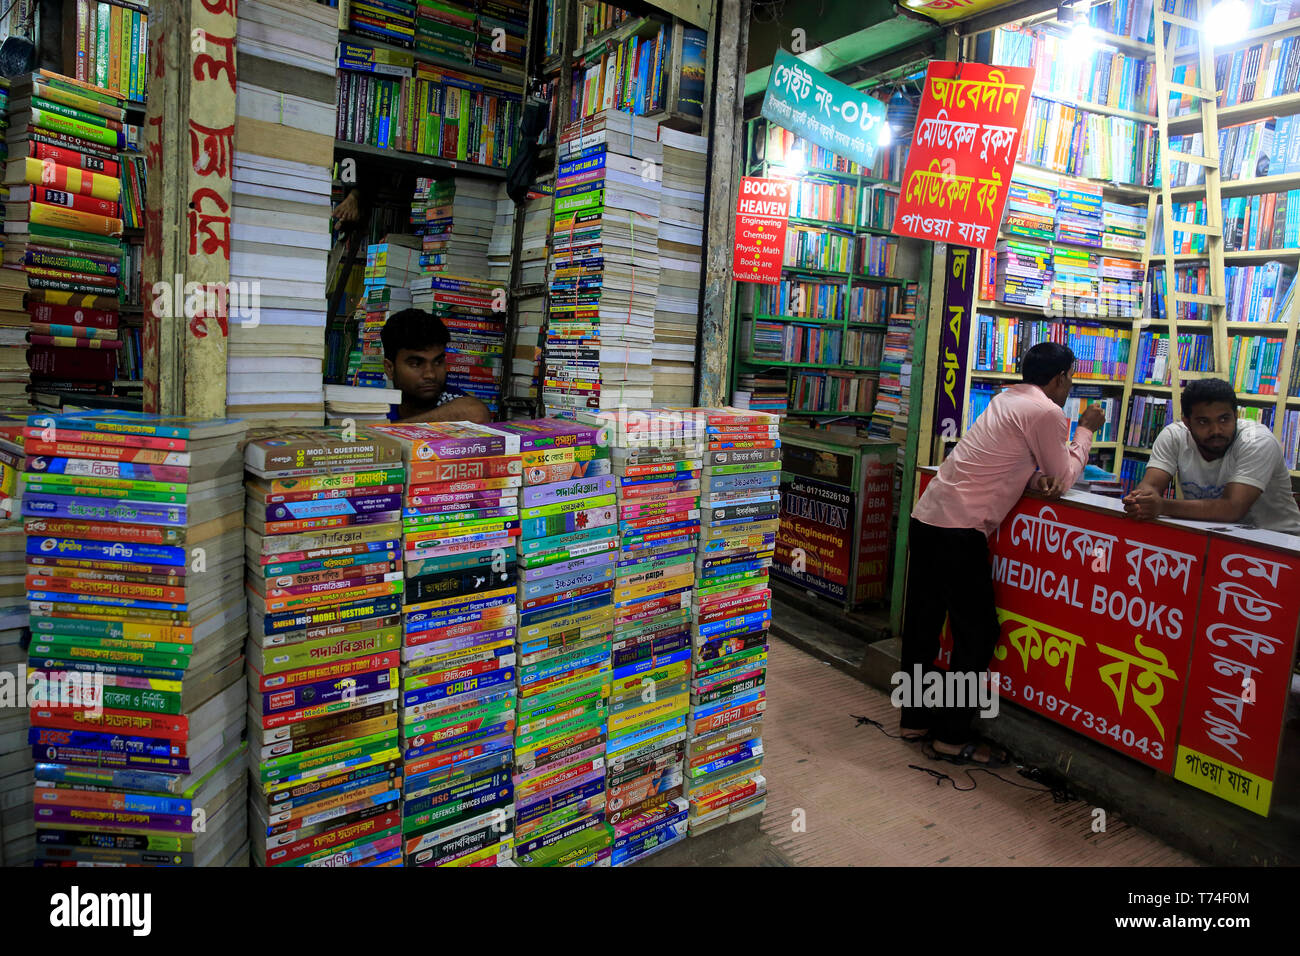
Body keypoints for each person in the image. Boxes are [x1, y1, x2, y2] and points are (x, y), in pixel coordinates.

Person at [900, 341, 1106, 764]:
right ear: (1061, 377)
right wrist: (1085, 429)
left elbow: (1004, 463)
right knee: (977, 633)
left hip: (928, 518)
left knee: (923, 622)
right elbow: (1063, 477)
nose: (1071, 386)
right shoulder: (1048, 412)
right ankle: (951, 737)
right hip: (961, 530)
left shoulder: (1005, 399)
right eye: (1071, 378)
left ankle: (915, 720)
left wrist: (1031, 481)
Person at [1123, 378, 1300, 534]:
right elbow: (1151, 484)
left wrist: (1161, 506)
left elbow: (1232, 508)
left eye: (1224, 419)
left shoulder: (1257, 440)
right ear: (1187, 423)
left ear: (1236, 416)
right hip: (1215, 535)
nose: (1216, 430)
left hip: (1280, 542)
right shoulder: (1174, 436)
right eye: (1203, 421)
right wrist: (1142, 500)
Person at [381, 307, 491, 424]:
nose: (431, 374)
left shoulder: (452, 400)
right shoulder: (378, 408)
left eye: (438, 362)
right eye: (416, 364)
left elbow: (476, 413)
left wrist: (390, 430)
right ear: (390, 368)